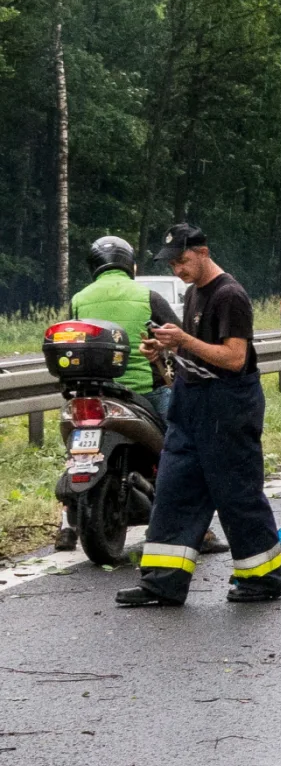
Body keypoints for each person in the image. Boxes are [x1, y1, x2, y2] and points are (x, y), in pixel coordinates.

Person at [116, 224, 281, 607]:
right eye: (172, 263)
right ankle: (161, 583)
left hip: (227, 410)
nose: (178, 269)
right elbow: (193, 357)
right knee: (173, 492)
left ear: (203, 251)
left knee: (237, 495)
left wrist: (183, 340)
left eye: (183, 260)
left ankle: (263, 578)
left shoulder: (230, 295)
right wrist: (161, 353)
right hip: (190, 407)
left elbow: (234, 357)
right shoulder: (194, 293)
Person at [53, 236, 181, 551]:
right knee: (181, 447)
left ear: (94, 267)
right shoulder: (148, 295)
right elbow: (180, 339)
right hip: (143, 392)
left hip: (91, 391)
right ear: (129, 265)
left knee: (76, 453)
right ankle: (195, 526)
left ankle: (66, 521)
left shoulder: (80, 298)